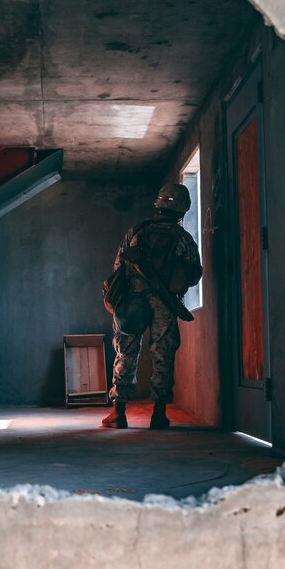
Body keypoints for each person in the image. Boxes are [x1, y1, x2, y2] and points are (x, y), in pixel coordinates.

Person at [102, 183, 202, 429]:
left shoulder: (136, 231)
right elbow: (193, 274)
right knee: (163, 356)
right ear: (182, 209)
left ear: (158, 205)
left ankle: (118, 412)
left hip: (132, 299)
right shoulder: (183, 237)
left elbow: (118, 268)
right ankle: (159, 414)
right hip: (164, 303)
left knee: (126, 353)